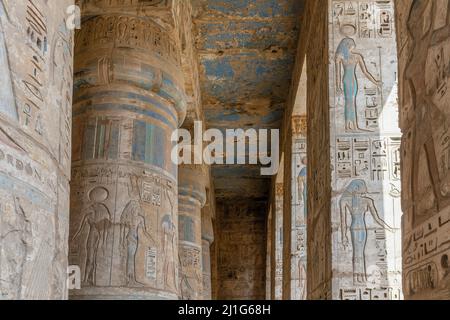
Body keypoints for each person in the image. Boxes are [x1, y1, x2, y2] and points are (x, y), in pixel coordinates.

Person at [340, 180, 393, 284]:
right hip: (354, 228)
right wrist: (344, 237)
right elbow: (343, 221)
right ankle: (356, 278)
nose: (363, 190)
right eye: (362, 188)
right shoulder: (345, 200)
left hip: (363, 229)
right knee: (357, 253)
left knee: (361, 253)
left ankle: (362, 278)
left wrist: (389, 228)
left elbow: (377, 219)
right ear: (356, 189)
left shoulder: (368, 200)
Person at [335, 37, 381, 132]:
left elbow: (365, 72)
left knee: (350, 102)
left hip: (349, 80)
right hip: (350, 81)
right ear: (348, 46)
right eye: (352, 46)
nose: (353, 47)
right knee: (350, 102)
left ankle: (349, 126)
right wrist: (337, 86)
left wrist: (375, 82)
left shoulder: (346, 56)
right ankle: (353, 127)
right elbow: (365, 72)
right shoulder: (350, 56)